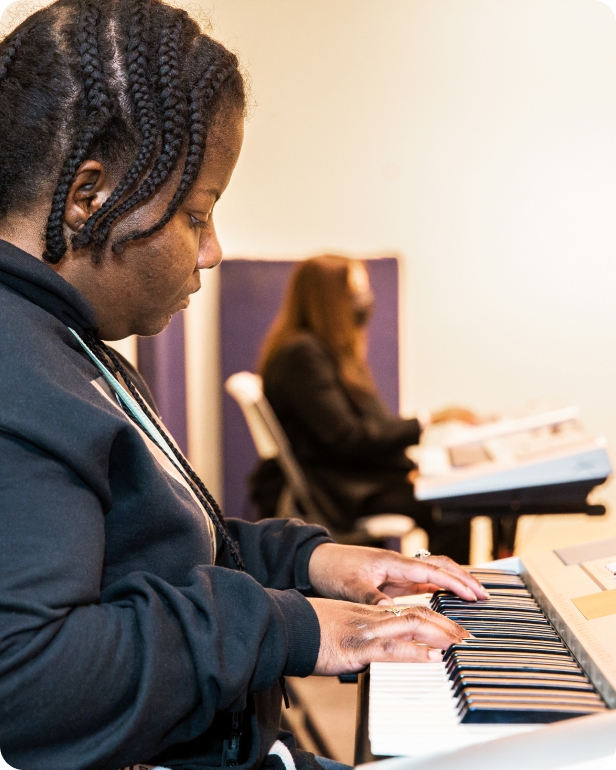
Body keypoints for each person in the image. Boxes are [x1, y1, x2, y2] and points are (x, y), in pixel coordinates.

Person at [0, 4, 489, 769]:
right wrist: (292, 625)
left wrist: (309, 565)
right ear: (88, 197)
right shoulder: (16, 368)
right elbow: (32, 678)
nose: (215, 251)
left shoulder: (68, 345)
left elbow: (160, 558)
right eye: (197, 216)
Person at [251, 255, 478, 563]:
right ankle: (450, 602)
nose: (364, 301)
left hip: (352, 478)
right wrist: (426, 423)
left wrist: (408, 468)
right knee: (449, 507)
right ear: (329, 299)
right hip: (343, 491)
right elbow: (348, 439)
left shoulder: (322, 351)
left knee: (446, 495)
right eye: (356, 292)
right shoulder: (303, 356)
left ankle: (444, 592)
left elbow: (362, 432)